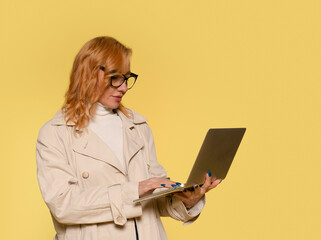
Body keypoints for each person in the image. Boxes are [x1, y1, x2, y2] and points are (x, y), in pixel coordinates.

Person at [36, 36, 221, 240]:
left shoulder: (138, 127)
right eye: (116, 78)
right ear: (88, 74)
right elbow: (63, 205)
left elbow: (154, 200)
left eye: (127, 78)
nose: (123, 88)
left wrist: (189, 199)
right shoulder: (55, 133)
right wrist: (134, 190)